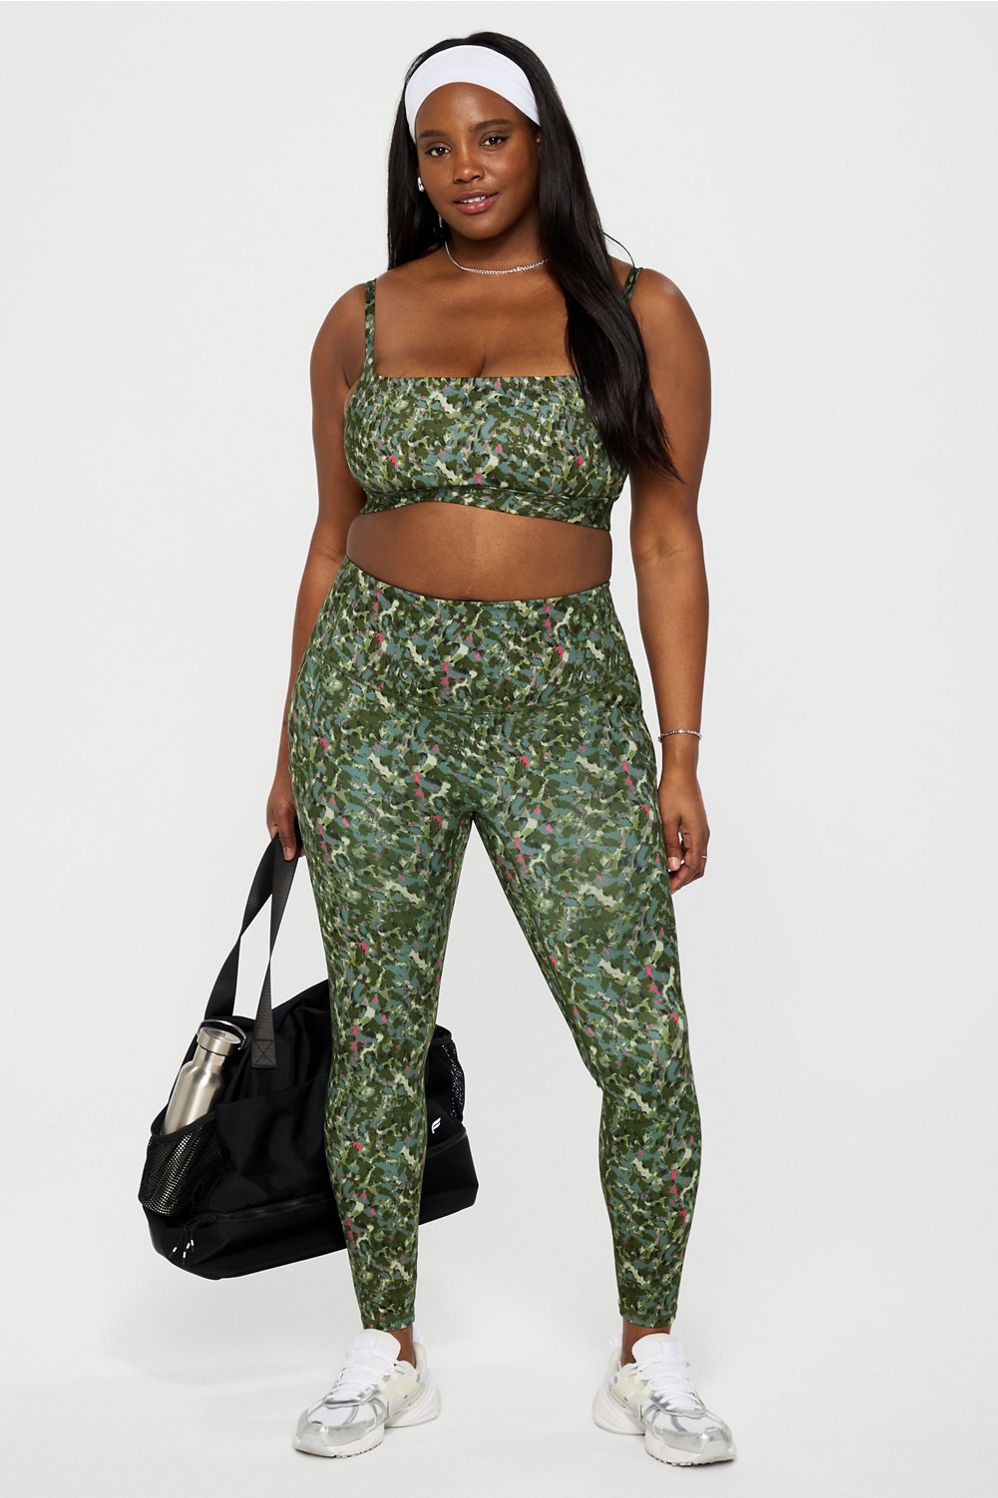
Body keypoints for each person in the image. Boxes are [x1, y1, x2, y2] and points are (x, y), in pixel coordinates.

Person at [266, 31, 735, 1468]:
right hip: (373, 701)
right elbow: (331, 537)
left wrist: (678, 752)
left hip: (562, 706)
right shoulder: (361, 319)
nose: (463, 167)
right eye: (436, 146)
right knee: (376, 1034)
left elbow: (666, 533)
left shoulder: (637, 308)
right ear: (412, 167)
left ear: (541, 143)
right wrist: (290, 745)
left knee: (641, 1040)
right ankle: (385, 1346)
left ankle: (647, 1350)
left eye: (491, 137)